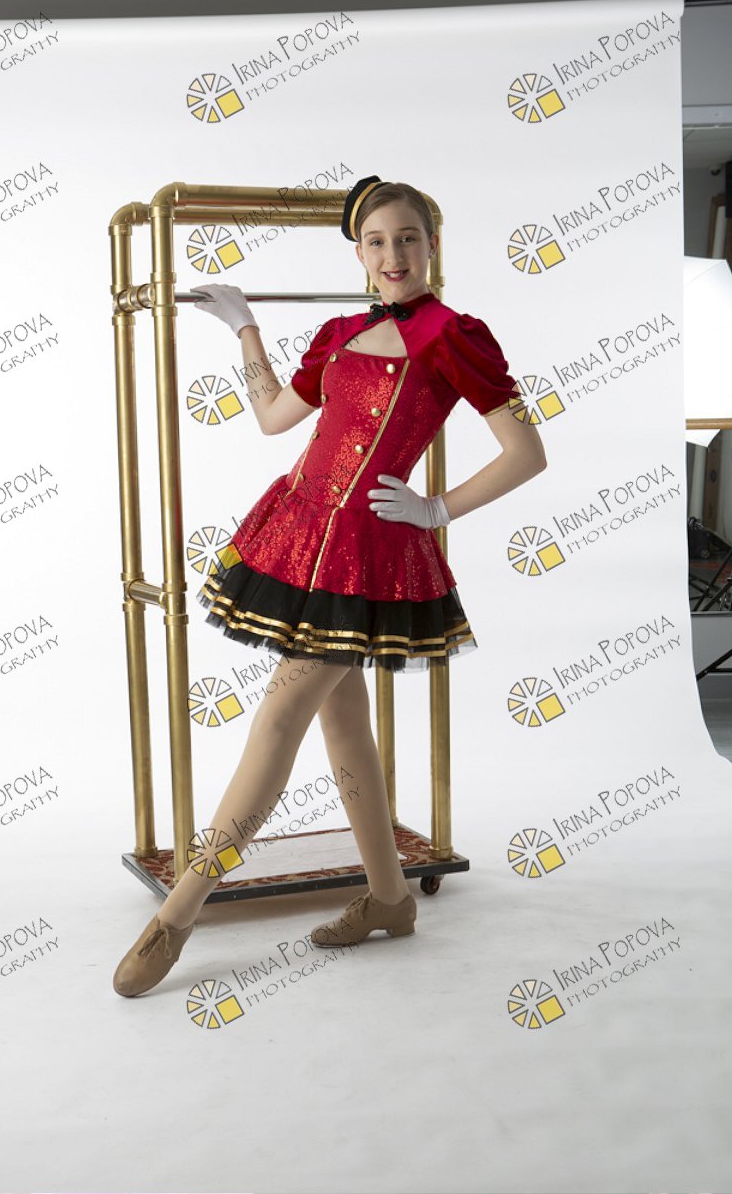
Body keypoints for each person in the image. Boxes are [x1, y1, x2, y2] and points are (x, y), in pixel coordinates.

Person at [112, 175, 547, 998]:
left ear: (432, 245)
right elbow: (275, 417)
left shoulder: (455, 335)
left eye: (408, 238)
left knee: (279, 718)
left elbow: (526, 452)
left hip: (367, 556)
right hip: (298, 534)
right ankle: (390, 899)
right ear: (359, 253)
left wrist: (436, 508)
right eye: (377, 241)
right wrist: (245, 327)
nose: (393, 254)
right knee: (344, 725)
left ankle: (178, 913)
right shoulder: (340, 332)